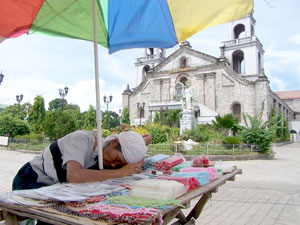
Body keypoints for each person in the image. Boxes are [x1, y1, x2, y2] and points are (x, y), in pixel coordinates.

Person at [12, 130, 151, 191]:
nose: (114, 165)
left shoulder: (107, 156)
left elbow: (135, 168)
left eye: (120, 164)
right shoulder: (80, 139)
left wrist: (143, 143)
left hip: (55, 187)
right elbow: (74, 176)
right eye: (116, 159)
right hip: (31, 180)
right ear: (113, 142)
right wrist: (120, 172)